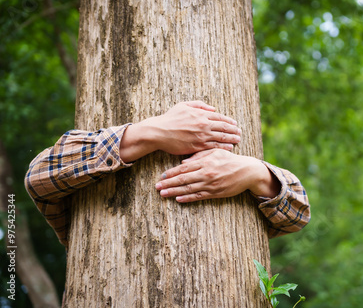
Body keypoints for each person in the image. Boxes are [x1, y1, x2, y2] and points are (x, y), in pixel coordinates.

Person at [25, 101, 310, 248]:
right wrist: (151, 133)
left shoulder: (252, 198)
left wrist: (255, 173)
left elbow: (299, 213)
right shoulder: (76, 194)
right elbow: (38, 178)